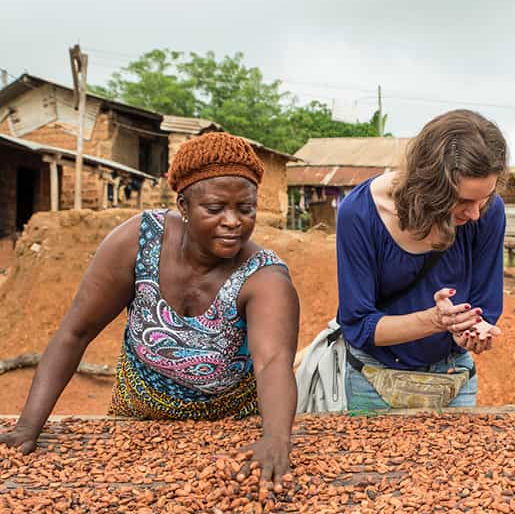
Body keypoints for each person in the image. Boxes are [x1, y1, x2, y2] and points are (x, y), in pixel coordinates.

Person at [0, 132, 300, 488]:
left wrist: (276, 441)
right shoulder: (137, 243)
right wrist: (27, 427)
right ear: (184, 207)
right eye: (216, 208)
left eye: (245, 209)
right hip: (136, 418)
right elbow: (75, 331)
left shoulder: (264, 276)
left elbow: (272, 362)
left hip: (229, 428)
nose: (233, 221)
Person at [336, 109, 507, 410]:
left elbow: (486, 306)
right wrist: (435, 320)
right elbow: (359, 325)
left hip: (453, 376)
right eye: (463, 201)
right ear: (430, 186)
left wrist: (471, 331)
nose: (476, 213)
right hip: (374, 378)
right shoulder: (359, 213)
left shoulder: (489, 212)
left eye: (485, 197)